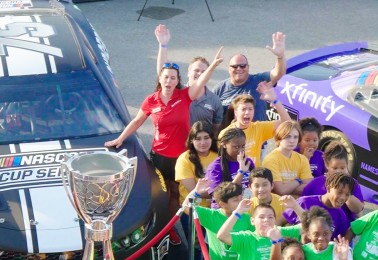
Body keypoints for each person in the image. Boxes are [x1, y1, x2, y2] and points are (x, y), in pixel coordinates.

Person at [106, 49, 223, 216]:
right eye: (165, 77)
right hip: (159, 155)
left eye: (173, 78)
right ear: (160, 78)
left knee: (176, 191)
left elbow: (201, 81)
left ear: (177, 81)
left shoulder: (185, 96)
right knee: (160, 193)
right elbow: (137, 121)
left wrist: (212, 66)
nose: (169, 80)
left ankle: (171, 227)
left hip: (181, 156)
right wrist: (120, 138)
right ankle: (160, 226)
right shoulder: (151, 100)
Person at [154, 25, 227, 132]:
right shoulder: (177, 92)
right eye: (196, 70)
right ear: (188, 72)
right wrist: (163, 45)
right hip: (178, 145)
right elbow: (163, 73)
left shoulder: (214, 100)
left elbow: (216, 130)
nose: (200, 74)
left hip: (200, 147)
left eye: (203, 72)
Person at [213, 33, 287, 123]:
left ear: (248, 67)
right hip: (231, 135)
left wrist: (280, 56)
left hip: (257, 134)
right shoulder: (220, 88)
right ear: (229, 69)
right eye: (235, 66)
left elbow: (278, 73)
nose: (239, 69)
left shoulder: (258, 80)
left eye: (243, 66)